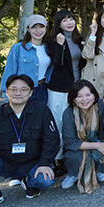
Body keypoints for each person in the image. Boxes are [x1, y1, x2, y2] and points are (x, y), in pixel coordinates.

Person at [0, 74, 59, 207]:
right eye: (13, 89)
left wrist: (45, 163)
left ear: (31, 92)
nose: (18, 93)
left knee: (45, 181)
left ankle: (28, 181)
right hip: (5, 163)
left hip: (32, 162)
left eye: (23, 89)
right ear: (7, 91)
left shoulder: (41, 110)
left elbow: (52, 140)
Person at [60, 80, 104, 192]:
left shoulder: (100, 105)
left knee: (99, 153)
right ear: (73, 99)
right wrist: (96, 145)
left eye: (88, 95)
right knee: (75, 157)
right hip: (79, 145)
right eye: (79, 96)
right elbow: (71, 142)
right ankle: (73, 173)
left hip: (101, 140)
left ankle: (100, 170)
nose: (84, 99)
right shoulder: (68, 113)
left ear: (94, 95)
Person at [44, 9, 82, 165]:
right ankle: (56, 158)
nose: (70, 22)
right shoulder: (53, 41)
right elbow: (57, 63)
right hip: (58, 89)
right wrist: (60, 46)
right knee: (58, 123)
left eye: (72, 19)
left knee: (75, 123)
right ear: (59, 23)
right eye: (65, 20)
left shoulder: (78, 39)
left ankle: (71, 156)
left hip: (77, 87)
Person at [0, 14, 52, 101]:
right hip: (22, 90)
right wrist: (6, 94)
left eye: (41, 27)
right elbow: (9, 71)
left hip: (42, 89)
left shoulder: (48, 48)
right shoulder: (18, 48)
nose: (38, 31)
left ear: (46, 28)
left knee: (39, 114)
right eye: (34, 27)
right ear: (28, 29)